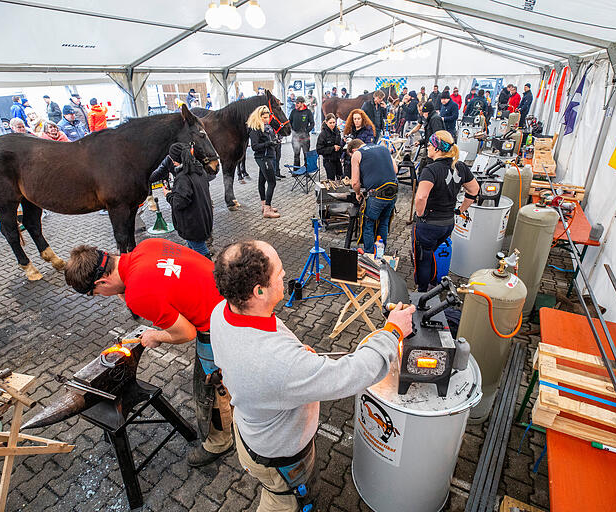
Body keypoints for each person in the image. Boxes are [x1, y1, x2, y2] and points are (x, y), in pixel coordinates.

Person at [211, 240, 415, 512]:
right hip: (281, 459)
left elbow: (256, 359)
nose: (285, 275)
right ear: (259, 291)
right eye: (279, 271)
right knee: (284, 503)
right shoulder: (278, 363)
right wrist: (392, 333)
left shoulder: (221, 312)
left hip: (251, 433)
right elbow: (350, 375)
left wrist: (296, 360)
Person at [63, 239, 234, 466]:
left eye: (95, 293)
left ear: (102, 281)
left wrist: (156, 336)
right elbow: (157, 282)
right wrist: (125, 292)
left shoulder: (139, 293)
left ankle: (219, 443)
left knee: (208, 389)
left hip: (219, 321)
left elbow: (186, 333)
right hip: (229, 293)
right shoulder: (145, 247)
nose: (100, 297)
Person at [413, 130, 479, 292]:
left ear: (436, 149)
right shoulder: (460, 167)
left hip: (429, 224)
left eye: (429, 145)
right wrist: (461, 209)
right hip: (448, 223)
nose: (427, 148)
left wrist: (420, 215)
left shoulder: (431, 170)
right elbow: (475, 189)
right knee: (431, 254)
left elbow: (421, 197)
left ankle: (422, 293)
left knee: (423, 259)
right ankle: (433, 284)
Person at [150, 143, 213, 258]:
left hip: (193, 224)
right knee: (192, 250)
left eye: (172, 158)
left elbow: (179, 203)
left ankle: (212, 273)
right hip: (203, 219)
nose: (171, 160)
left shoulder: (183, 177)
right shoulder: (199, 170)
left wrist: (168, 195)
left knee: (201, 252)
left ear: (175, 160)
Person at [347, 139, 398, 252]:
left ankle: (369, 254)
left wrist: (358, 193)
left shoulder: (357, 154)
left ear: (354, 150)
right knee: (384, 222)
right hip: (393, 192)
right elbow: (395, 169)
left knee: (368, 224)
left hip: (377, 195)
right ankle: (380, 251)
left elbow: (355, 182)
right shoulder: (383, 148)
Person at [248, 106, 280, 219]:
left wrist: (275, 141)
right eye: (264, 117)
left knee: (262, 181)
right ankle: (267, 209)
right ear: (259, 117)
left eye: (268, 117)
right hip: (263, 158)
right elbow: (255, 147)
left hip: (269, 156)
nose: (267, 119)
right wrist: (269, 144)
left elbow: (270, 140)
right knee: (272, 182)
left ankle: (264, 205)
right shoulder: (255, 129)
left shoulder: (267, 126)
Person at [288, 96, 314, 168]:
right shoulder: (293, 111)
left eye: (298, 103)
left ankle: (306, 170)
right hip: (295, 138)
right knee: (296, 155)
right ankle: (296, 171)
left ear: (302, 103)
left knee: (306, 155)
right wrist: (292, 130)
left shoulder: (308, 112)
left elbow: (312, 123)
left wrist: (306, 130)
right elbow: (289, 121)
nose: (296, 104)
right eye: (296, 103)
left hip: (305, 138)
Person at [316, 113, 343, 180]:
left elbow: (339, 144)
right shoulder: (323, 134)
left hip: (337, 159)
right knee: (331, 180)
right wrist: (333, 148)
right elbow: (319, 150)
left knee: (340, 178)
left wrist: (342, 145)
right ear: (326, 122)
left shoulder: (337, 131)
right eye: (330, 123)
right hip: (328, 161)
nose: (332, 125)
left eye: (334, 122)